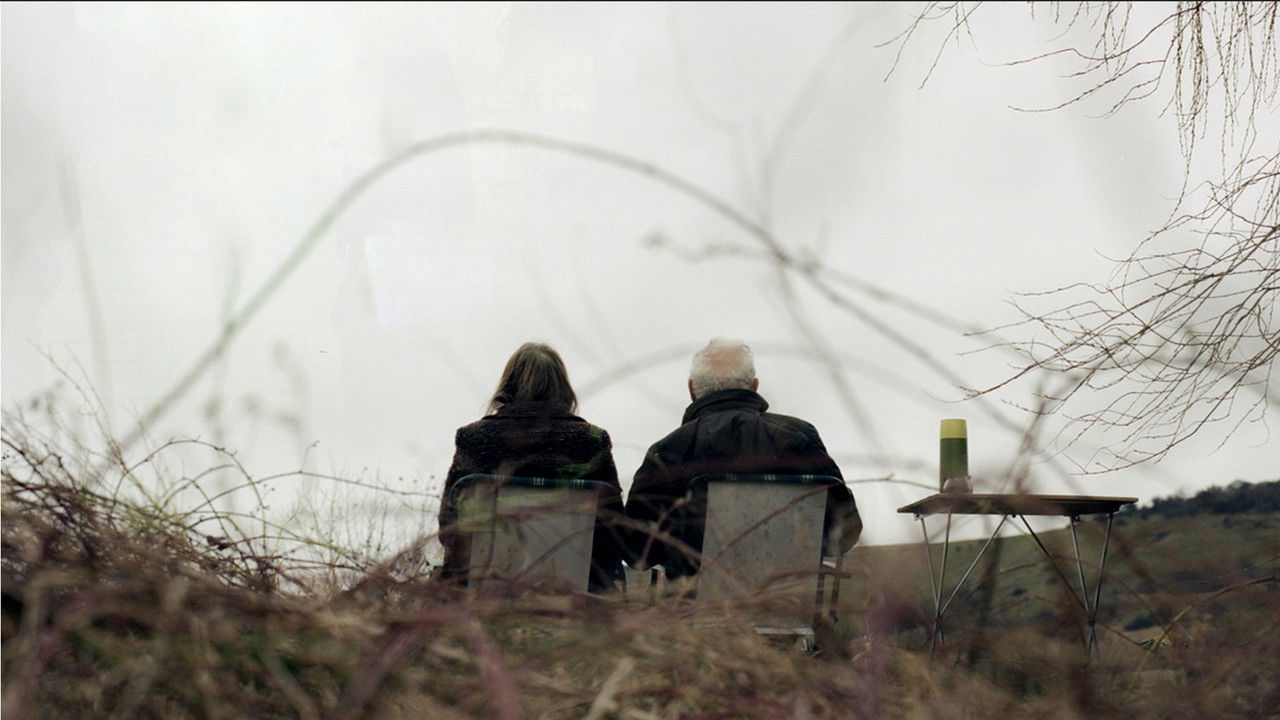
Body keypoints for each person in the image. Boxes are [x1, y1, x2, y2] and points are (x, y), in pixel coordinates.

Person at [624, 338, 861, 579]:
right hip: (791, 602)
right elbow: (845, 533)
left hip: (693, 608)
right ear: (754, 386)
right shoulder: (798, 437)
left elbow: (636, 553)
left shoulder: (666, 451)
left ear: (692, 389)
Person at [436, 342, 625, 592]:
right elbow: (615, 533)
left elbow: (450, 530)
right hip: (574, 596)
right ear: (563, 389)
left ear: (508, 385)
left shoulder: (474, 438)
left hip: (482, 594)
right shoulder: (591, 441)